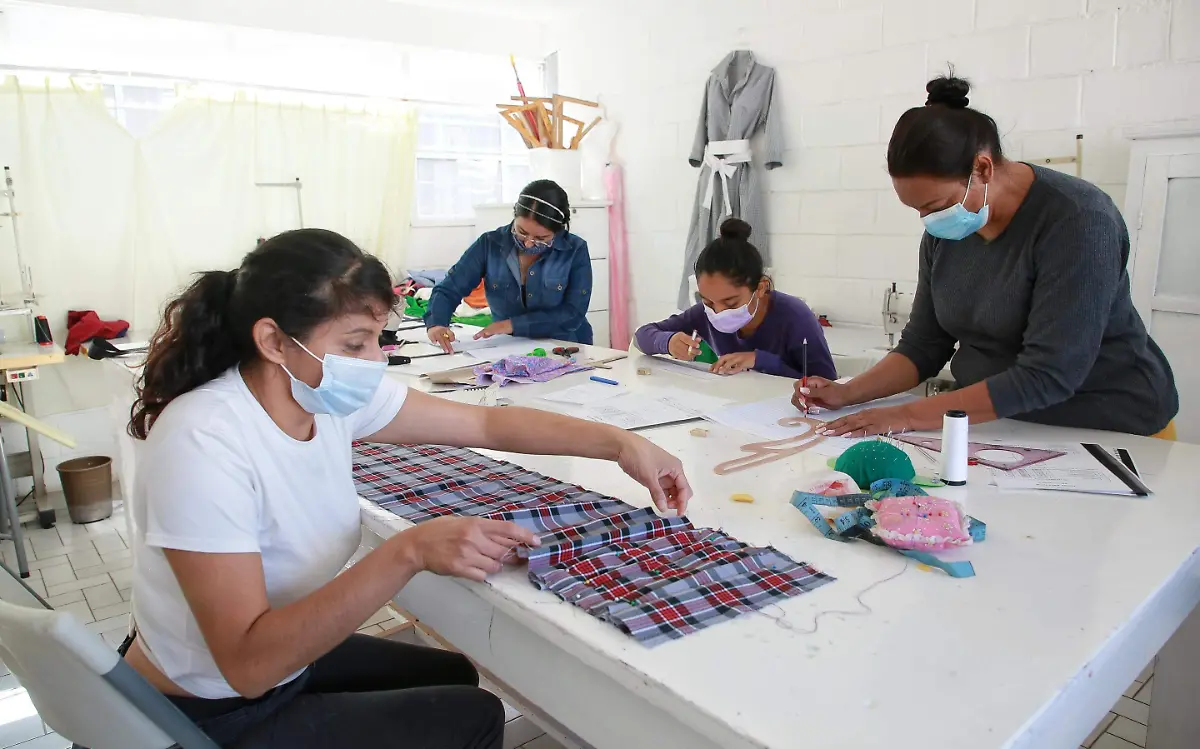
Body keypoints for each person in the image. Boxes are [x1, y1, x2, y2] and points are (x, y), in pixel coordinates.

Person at [121, 229, 690, 749]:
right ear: (273, 340)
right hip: (206, 710)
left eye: (379, 340)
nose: (375, 362)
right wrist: (410, 550)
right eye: (355, 343)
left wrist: (620, 444)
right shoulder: (205, 441)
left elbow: (485, 424)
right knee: (474, 717)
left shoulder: (320, 393)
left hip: (264, 673)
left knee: (450, 674)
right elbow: (247, 663)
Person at [797, 74, 1178, 439]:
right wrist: (847, 393)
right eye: (919, 210)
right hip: (1001, 423)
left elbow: (1049, 374)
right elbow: (923, 346)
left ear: (982, 168)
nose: (929, 220)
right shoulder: (949, 229)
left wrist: (905, 415)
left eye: (936, 205)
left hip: (1107, 428)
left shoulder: (1078, 221)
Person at [635, 218, 835, 378]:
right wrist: (668, 342)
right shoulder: (705, 314)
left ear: (760, 288)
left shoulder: (795, 316)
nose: (718, 312)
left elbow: (828, 386)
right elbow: (641, 336)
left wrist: (759, 360)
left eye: (731, 303)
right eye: (707, 301)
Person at [426, 180, 592, 351]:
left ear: (558, 230)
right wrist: (437, 323)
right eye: (521, 232)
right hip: (508, 347)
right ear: (514, 216)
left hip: (565, 346)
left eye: (541, 239)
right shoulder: (489, 244)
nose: (528, 244)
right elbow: (449, 288)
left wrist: (512, 325)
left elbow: (573, 313)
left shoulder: (575, 250)